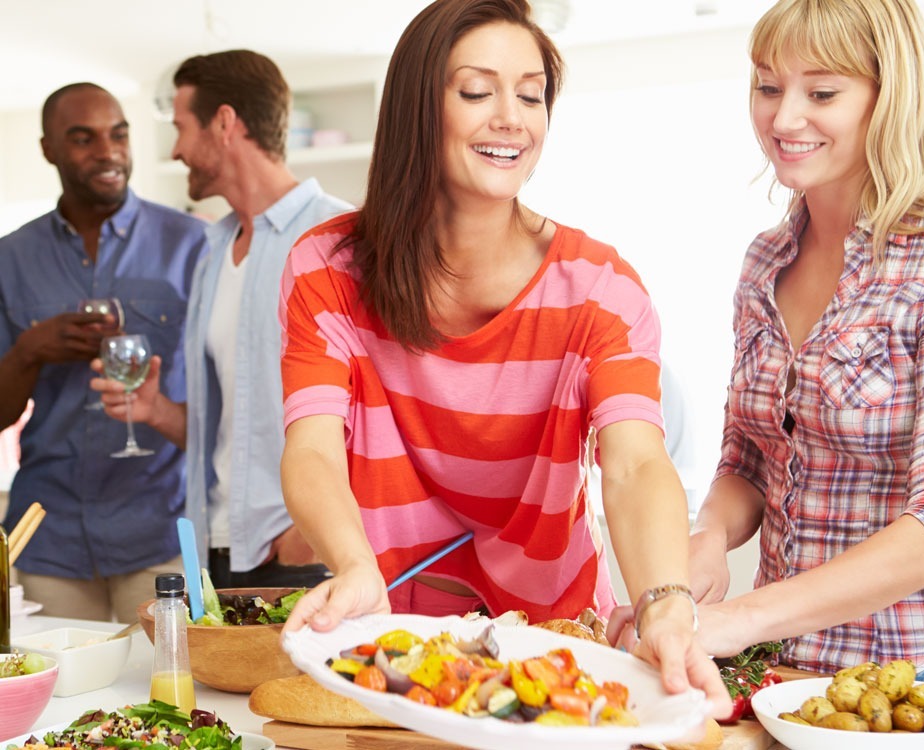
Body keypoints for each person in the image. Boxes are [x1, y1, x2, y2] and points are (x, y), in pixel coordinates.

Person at [276, 0, 730, 713]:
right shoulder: (326, 268)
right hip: (395, 645)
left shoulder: (602, 290)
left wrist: (665, 601)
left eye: (531, 94)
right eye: (477, 91)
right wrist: (353, 564)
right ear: (418, 109)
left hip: (557, 643)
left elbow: (638, 462)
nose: (511, 118)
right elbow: (312, 448)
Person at [688, 0, 924, 701]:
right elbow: (749, 462)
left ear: (888, 96)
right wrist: (706, 540)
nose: (783, 120)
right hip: (783, 668)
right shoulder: (764, 262)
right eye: (768, 86)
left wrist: (737, 619)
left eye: (822, 93)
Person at [91, 50, 353, 589]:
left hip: (304, 550)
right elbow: (234, 427)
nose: (177, 149)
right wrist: (157, 411)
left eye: (183, 127)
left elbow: (386, 409)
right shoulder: (212, 251)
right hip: (218, 547)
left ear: (226, 123)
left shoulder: (341, 236)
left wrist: (308, 534)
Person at [0, 83, 208, 622]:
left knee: (170, 691)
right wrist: (28, 352)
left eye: (118, 134)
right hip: (50, 534)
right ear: (48, 148)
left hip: (161, 528)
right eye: (83, 138)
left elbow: (232, 400)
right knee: (63, 694)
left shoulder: (193, 244)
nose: (108, 152)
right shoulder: (11, 259)